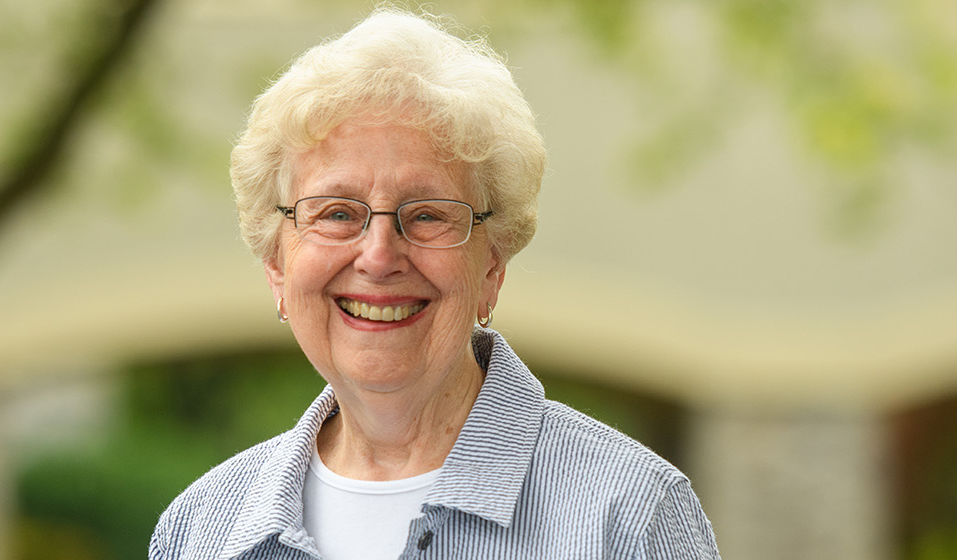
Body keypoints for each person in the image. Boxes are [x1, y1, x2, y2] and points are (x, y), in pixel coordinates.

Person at [151, 9, 720, 559]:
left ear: (492, 265)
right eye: (337, 213)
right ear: (277, 264)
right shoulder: (201, 531)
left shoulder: (627, 517)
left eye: (427, 215)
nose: (379, 256)